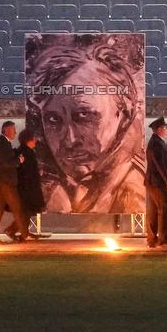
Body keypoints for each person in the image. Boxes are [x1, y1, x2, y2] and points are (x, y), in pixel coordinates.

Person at [26, 35, 145, 213]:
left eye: (84, 116)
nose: (70, 140)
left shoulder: (132, 195)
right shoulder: (56, 188)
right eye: (53, 120)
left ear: (124, 115)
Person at [0, 121, 35, 245]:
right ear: (6, 130)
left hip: (5, 181)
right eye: (13, 129)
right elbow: (3, 163)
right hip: (6, 182)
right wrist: (18, 160)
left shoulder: (5, 143)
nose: (15, 132)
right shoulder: (0, 144)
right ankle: (25, 234)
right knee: (17, 208)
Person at [5, 129, 45, 241]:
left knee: (26, 211)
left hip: (26, 186)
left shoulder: (25, 151)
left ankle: (21, 232)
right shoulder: (26, 152)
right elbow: (26, 170)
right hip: (26, 188)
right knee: (26, 210)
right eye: (33, 139)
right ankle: (16, 231)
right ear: (29, 140)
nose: (35, 141)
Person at [145, 116, 167, 248]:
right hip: (157, 182)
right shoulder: (156, 143)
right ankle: (164, 240)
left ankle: (152, 239)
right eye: (164, 128)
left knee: (153, 210)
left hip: (153, 182)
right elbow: (159, 165)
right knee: (163, 209)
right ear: (159, 129)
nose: (165, 130)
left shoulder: (157, 141)